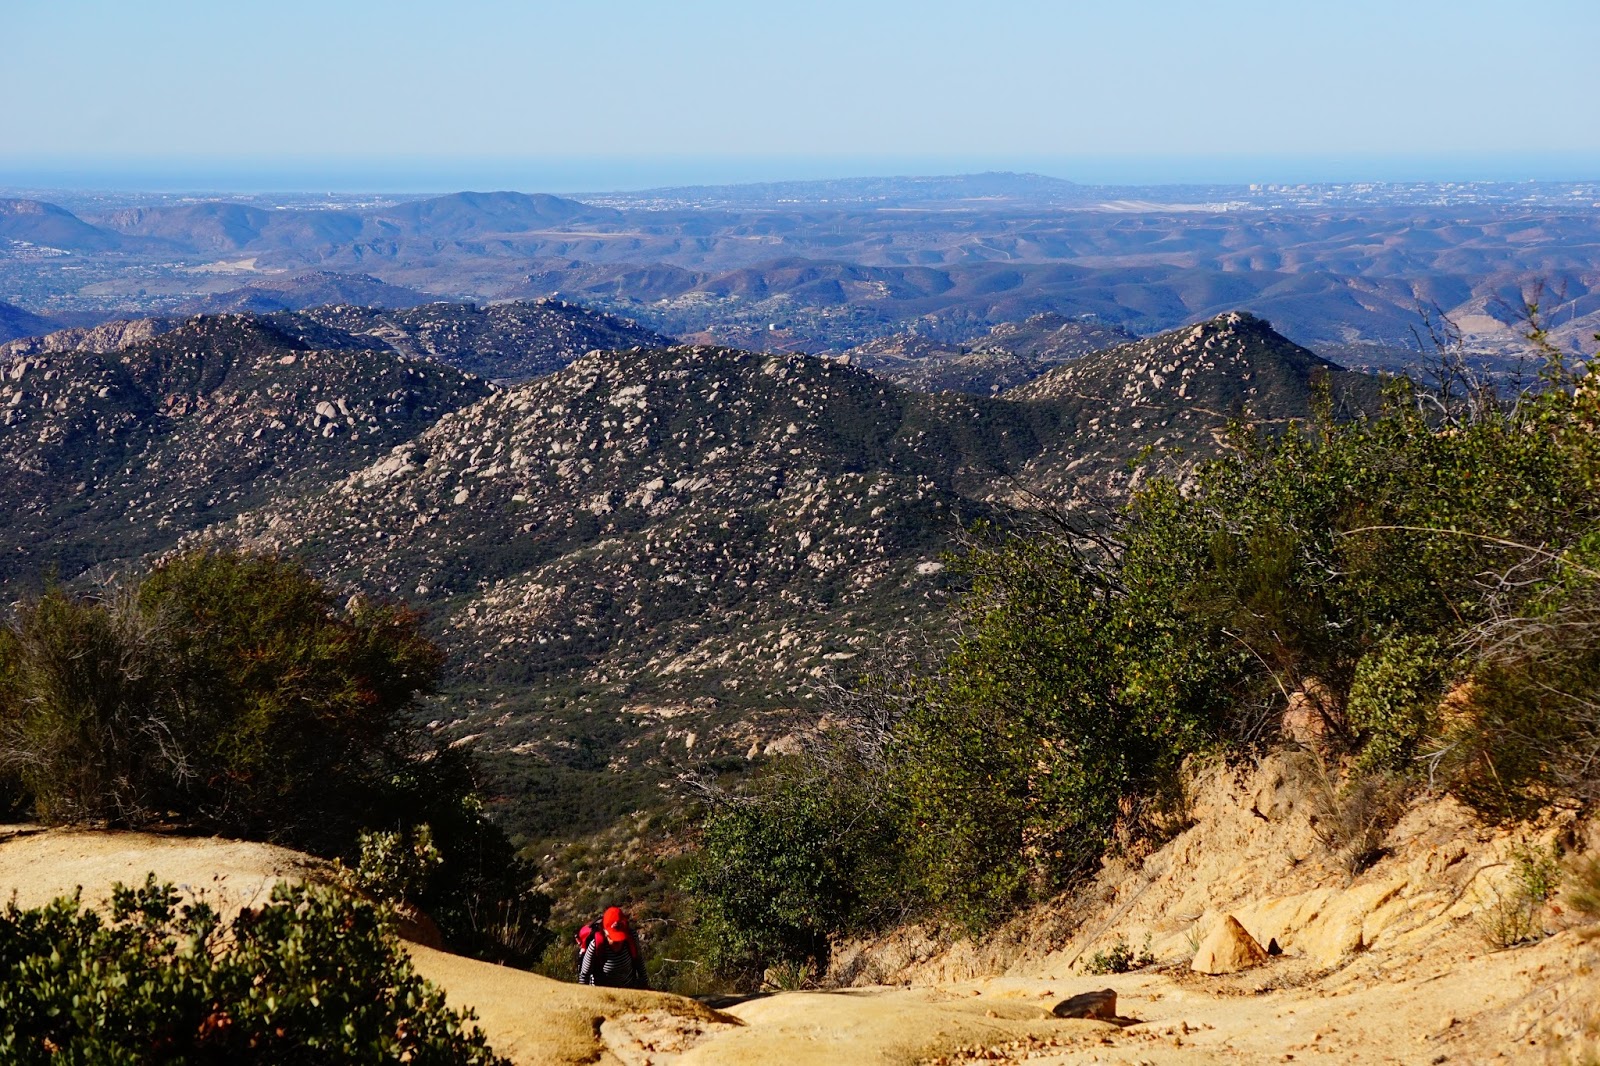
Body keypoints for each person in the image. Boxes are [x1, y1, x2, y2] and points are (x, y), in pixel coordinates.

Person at [577, 906, 648, 989]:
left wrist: (644, 986)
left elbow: (639, 962)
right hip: (601, 993)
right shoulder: (596, 944)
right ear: (604, 931)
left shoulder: (631, 938)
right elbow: (584, 975)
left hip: (628, 990)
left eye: (620, 938)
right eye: (612, 937)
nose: (617, 941)